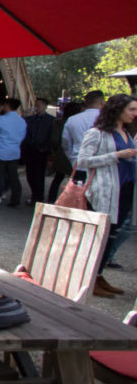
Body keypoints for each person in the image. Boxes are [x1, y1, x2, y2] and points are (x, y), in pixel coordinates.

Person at [76, 93, 137, 297]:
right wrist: (117, 155)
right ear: (118, 110)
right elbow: (83, 160)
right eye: (131, 109)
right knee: (101, 235)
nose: (135, 114)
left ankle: (98, 275)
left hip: (125, 189)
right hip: (105, 191)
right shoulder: (97, 133)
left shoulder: (126, 133)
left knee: (112, 234)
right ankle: (89, 278)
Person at [48, 101, 84, 205]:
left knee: (58, 178)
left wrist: (55, 151)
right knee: (74, 180)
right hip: (74, 154)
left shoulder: (59, 122)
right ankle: (71, 201)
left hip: (61, 153)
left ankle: (52, 199)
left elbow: (55, 139)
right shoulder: (78, 122)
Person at [21, 97, 55, 205]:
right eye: (36, 105)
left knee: (39, 175)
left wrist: (47, 149)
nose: (37, 107)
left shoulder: (51, 120)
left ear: (45, 106)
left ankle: (38, 196)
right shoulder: (30, 119)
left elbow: (51, 136)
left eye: (39, 105)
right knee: (30, 174)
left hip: (42, 151)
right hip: (30, 149)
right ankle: (34, 194)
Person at [63, 90, 104, 176]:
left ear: (86, 103)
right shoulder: (108, 120)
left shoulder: (72, 120)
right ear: (102, 102)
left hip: (79, 165)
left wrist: (72, 157)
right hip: (102, 167)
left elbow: (66, 143)